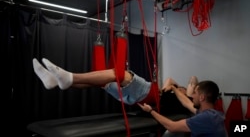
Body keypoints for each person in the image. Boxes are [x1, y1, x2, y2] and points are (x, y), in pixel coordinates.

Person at [32, 58, 196, 106]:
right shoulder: (170, 91)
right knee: (101, 82)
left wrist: (179, 89)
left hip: (147, 93)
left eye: (188, 90)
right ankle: (54, 81)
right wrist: (174, 87)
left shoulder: (188, 100)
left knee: (120, 74)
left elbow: (193, 81)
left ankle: (70, 77)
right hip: (134, 98)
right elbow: (170, 80)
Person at [138, 80, 228, 137]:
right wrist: (174, 88)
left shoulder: (206, 118)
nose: (192, 96)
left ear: (202, 97)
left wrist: (150, 111)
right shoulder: (213, 115)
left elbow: (172, 126)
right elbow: (187, 103)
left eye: (195, 93)